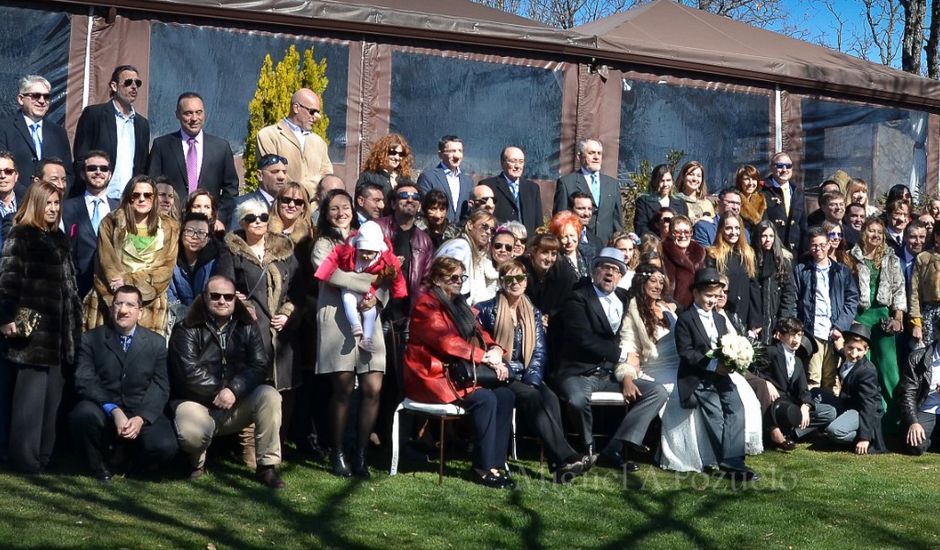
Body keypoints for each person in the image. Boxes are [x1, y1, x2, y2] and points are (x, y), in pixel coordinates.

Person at [476, 260, 595, 482]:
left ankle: (560, 466)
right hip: (500, 374)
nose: (515, 283)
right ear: (501, 282)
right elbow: (482, 347)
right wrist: (517, 377)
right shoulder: (485, 310)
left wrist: (531, 380)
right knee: (531, 395)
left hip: (525, 375)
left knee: (549, 397)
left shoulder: (533, 312)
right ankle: (567, 456)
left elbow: (539, 353)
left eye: (520, 278)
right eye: (509, 279)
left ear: (526, 281)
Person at [403, 256, 516, 488]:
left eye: (461, 277)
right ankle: (482, 468)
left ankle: (496, 463)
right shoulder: (427, 304)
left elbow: (479, 333)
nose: (458, 281)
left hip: (457, 374)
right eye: (452, 277)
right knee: (485, 398)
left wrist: (494, 349)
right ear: (436, 279)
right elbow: (446, 342)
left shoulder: (459, 304)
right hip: (431, 376)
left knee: (506, 395)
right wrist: (483, 357)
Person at [555, 248, 668, 471]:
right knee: (577, 401)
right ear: (594, 271)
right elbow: (582, 338)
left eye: (616, 270)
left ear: (620, 276)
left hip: (608, 373)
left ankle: (614, 447)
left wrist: (671, 305)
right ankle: (588, 447)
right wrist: (623, 355)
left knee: (658, 392)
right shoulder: (577, 298)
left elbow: (649, 297)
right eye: (605, 267)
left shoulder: (623, 298)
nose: (610, 273)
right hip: (578, 371)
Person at [169, 275, 285, 488]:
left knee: (270, 396)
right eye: (215, 296)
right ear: (205, 297)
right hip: (196, 401)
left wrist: (234, 389)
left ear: (235, 300)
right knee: (192, 434)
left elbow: (259, 365)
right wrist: (222, 390)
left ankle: (267, 467)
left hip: (235, 400)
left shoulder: (247, 325)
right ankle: (197, 463)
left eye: (228, 297)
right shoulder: (186, 327)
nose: (222, 301)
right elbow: (187, 372)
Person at [0, 181, 82, 474]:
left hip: (60, 330)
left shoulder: (59, 237)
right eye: (47, 203)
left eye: (57, 203)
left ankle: (44, 457)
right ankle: (24, 459)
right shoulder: (20, 235)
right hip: (31, 328)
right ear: (35, 203)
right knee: (30, 400)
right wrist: (6, 318)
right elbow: (8, 281)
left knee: (52, 399)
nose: (53, 208)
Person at [313, 189, 387, 478]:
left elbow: (388, 275)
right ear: (325, 212)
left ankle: (361, 454)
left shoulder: (368, 235)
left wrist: (378, 296)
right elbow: (330, 274)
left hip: (369, 317)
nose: (341, 212)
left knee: (373, 388)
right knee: (342, 389)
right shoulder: (323, 243)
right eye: (334, 208)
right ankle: (338, 451)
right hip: (337, 322)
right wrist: (370, 281)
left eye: (345, 207)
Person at [69, 285, 178, 481]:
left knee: (166, 445)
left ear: (140, 312)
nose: (123, 310)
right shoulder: (91, 339)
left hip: (140, 409)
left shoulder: (157, 343)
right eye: (118, 303)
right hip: (104, 408)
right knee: (82, 415)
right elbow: (84, 379)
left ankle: (133, 466)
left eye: (130, 305)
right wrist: (114, 410)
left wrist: (141, 418)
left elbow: (161, 386)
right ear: (111, 308)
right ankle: (100, 467)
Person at [616, 263, 706, 472]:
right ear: (641, 282)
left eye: (660, 281)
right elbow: (628, 347)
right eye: (652, 281)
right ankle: (675, 454)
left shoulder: (668, 307)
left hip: (679, 364)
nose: (657, 285)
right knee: (677, 394)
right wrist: (627, 377)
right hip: (655, 367)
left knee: (697, 387)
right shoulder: (633, 311)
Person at [674, 267, 758, 481]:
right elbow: (686, 354)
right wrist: (712, 365)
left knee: (737, 408)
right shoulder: (685, 319)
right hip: (698, 377)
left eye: (716, 296)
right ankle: (732, 464)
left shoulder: (720, 320)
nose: (712, 300)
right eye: (708, 295)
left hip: (721, 375)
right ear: (695, 294)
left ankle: (733, 459)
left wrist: (732, 360)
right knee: (716, 413)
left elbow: (725, 346)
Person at [215, 199, 300, 396]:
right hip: (251, 328)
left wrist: (288, 313)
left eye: (263, 217)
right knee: (255, 388)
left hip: (283, 335)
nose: (258, 222)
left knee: (285, 394)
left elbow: (298, 288)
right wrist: (242, 304)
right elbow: (223, 286)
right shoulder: (232, 250)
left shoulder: (284, 249)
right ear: (242, 222)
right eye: (251, 218)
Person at [84, 175, 180, 336]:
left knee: (144, 356)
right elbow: (106, 262)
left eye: (147, 195)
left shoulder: (170, 227)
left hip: (151, 306)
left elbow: (165, 269)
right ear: (129, 197)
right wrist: (120, 293)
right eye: (136, 195)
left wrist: (129, 281)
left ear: (154, 198)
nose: (142, 199)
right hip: (111, 301)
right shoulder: (111, 223)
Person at [845, 216, 906, 433]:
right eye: (871, 231)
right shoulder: (850, 257)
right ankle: (866, 423)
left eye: (879, 232)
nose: (876, 236)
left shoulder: (891, 259)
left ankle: (897, 422)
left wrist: (898, 318)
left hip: (883, 318)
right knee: (864, 371)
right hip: (860, 318)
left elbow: (899, 289)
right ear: (863, 232)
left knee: (890, 369)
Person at [315, 220, 406, 353]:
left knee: (370, 312)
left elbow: (396, 274)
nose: (365, 256)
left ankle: (367, 339)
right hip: (350, 288)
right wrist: (323, 272)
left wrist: (399, 292)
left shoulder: (385, 258)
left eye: (370, 253)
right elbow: (332, 260)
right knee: (348, 299)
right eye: (362, 251)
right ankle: (355, 325)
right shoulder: (347, 252)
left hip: (369, 293)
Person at [147, 92, 238, 224]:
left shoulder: (221, 147)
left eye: (198, 112)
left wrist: (219, 217)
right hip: (172, 222)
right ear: (177, 115)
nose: (194, 118)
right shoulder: (162, 145)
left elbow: (231, 188)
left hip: (209, 224)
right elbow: (153, 184)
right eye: (188, 113)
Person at [755, 318, 837, 451]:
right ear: (781, 336)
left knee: (829, 412)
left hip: (791, 406)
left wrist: (805, 406)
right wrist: (766, 383)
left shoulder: (798, 361)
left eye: (799, 335)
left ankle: (792, 433)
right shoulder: (771, 352)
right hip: (772, 404)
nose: (796, 339)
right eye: (792, 335)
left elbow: (804, 391)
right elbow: (754, 372)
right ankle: (775, 432)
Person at [793, 227, 859, 390]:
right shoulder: (802, 270)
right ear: (809, 247)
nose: (818, 249)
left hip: (834, 333)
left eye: (822, 245)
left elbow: (852, 300)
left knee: (832, 379)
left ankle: (831, 413)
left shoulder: (841, 271)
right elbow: (793, 299)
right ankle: (812, 411)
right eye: (814, 245)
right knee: (812, 377)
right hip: (811, 331)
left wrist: (840, 326)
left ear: (829, 245)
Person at [73, 65, 150, 199]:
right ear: (114, 86)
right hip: (97, 197)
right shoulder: (94, 115)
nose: (134, 87)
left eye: (137, 83)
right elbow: (81, 157)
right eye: (128, 82)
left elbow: (141, 166)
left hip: (128, 202)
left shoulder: (142, 124)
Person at [256, 88, 332, 202]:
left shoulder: (320, 143)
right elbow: (274, 174)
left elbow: (327, 176)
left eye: (318, 113)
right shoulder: (268, 135)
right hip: (283, 208)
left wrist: (303, 190)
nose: (316, 117)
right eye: (312, 111)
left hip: (313, 213)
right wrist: (303, 191)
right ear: (296, 107)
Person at [61, 150, 119, 299]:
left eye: (104, 169)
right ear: (82, 174)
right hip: (77, 289)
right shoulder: (65, 208)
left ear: (110, 174)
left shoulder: (121, 209)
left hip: (111, 290)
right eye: (92, 168)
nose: (98, 172)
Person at [822, 323, 886, 454]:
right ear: (844, 346)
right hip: (847, 403)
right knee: (818, 395)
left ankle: (859, 436)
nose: (853, 354)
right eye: (850, 348)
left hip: (862, 409)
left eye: (859, 350)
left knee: (834, 431)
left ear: (866, 350)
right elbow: (843, 353)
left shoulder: (867, 371)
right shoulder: (846, 356)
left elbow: (869, 404)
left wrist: (865, 437)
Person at [0, 75, 73, 190]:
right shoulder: (4, 128)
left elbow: (68, 173)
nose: (42, 101)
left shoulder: (59, 132)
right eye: (36, 96)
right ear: (20, 99)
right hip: (17, 202)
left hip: (51, 204)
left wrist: (55, 198)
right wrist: (28, 199)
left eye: (46, 96)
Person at [553, 139, 623, 244]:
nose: (596, 157)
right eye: (591, 153)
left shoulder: (612, 184)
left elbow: (617, 221)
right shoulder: (567, 183)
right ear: (579, 156)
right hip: (578, 243)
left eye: (599, 153)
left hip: (605, 245)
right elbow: (560, 219)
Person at [704, 213, 760, 334]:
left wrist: (755, 321)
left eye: (737, 228)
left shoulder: (748, 254)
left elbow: (753, 287)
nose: (733, 232)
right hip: (722, 311)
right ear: (721, 230)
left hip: (743, 313)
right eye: (728, 228)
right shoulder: (713, 254)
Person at [435, 209, 499, 305]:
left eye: (492, 230)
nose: (488, 232)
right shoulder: (461, 246)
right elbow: (448, 282)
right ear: (470, 225)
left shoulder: (471, 249)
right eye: (485, 226)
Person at [479, 146, 544, 235]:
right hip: (501, 243)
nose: (517, 166)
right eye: (513, 161)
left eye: (521, 162)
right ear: (502, 163)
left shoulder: (533, 188)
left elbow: (538, 223)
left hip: (526, 245)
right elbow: (482, 218)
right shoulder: (488, 186)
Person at [167, 212, 218, 323]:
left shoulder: (216, 261)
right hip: (178, 318)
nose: (194, 237)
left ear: (208, 238)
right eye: (189, 231)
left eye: (201, 233)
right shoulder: (171, 259)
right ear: (181, 234)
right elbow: (169, 294)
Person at [752, 221, 797, 344]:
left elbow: (789, 294)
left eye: (771, 236)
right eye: (764, 236)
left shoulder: (782, 262)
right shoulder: (750, 260)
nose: (768, 240)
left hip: (775, 322)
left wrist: (782, 323)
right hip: (755, 323)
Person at [521, 233, 578, 330]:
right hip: (525, 320)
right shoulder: (521, 267)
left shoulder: (564, 271)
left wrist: (551, 316)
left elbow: (570, 300)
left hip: (556, 323)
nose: (549, 259)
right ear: (534, 251)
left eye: (553, 254)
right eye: (544, 252)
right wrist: (536, 317)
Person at [900, 321, 940, 454]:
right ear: (938, 333)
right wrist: (913, 422)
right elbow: (907, 393)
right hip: (926, 409)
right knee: (915, 446)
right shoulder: (916, 357)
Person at [417, 135, 473, 223]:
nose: (457, 156)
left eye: (460, 151)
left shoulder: (468, 181)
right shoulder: (428, 177)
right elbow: (422, 208)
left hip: (459, 232)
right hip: (435, 231)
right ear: (440, 154)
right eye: (452, 151)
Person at [761, 152, 806, 253]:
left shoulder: (798, 192)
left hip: (793, 253)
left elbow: (803, 225)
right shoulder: (762, 191)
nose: (784, 170)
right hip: (769, 250)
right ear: (771, 167)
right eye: (780, 166)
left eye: (788, 166)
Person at [230, 154, 289, 230]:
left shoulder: (291, 205)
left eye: (284, 172)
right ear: (260, 175)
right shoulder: (243, 203)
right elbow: (234, 239)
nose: (282, 177)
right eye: (275, 172)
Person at [661, 215, 706, 309]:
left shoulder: (700, 254)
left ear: (691, 233)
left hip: (695, 308)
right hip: (671, 308)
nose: (682, 236)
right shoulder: (662, 253)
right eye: (677, 232)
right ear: (670, 233)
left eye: (686, 232)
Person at [634, 163, 687, 238]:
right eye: (662, 181)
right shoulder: (643, 201)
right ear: (655, 182)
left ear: (672, 182)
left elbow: (686, 225)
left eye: (668, 180)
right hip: (653, 245)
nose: (665, 184)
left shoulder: (680, 202)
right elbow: (641, 228)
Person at [911, 222, 940, 347]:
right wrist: (916, 323)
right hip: (930, 313)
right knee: (929, 355)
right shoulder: (924, 258)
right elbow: (914, 292)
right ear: (936, 236)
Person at [548, 210, 591, 281]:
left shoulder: (588, 255)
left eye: (572, 235)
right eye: (564, 237)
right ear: (557, 238)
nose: (569, 241)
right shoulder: (554, 261)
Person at [674, 161, 711, 225]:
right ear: (683, 177)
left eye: (698, 176)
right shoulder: (676, 201)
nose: (695, 179)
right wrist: (699, 220)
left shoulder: (707, 204)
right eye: (691, 174)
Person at [736, 164, 765, 230]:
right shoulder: (734, 200)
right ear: (740, 181)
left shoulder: (761, 200)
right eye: (746, 179)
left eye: (754, 179)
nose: (751, 183)